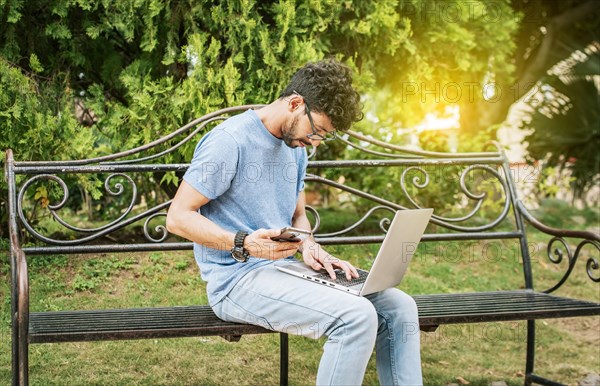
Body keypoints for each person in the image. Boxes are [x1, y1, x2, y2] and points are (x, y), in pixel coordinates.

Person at [166, 59, 422, 385]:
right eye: (317, 131)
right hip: (236, 282)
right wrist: (243, 242)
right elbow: (177, 217)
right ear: (296, 103)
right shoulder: (229, 141)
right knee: (355, 318)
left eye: (323, 137)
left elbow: (298, 214)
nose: (315, 142)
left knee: (399, 307)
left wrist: (310, 247)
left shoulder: (296, 149)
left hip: (286, 272)